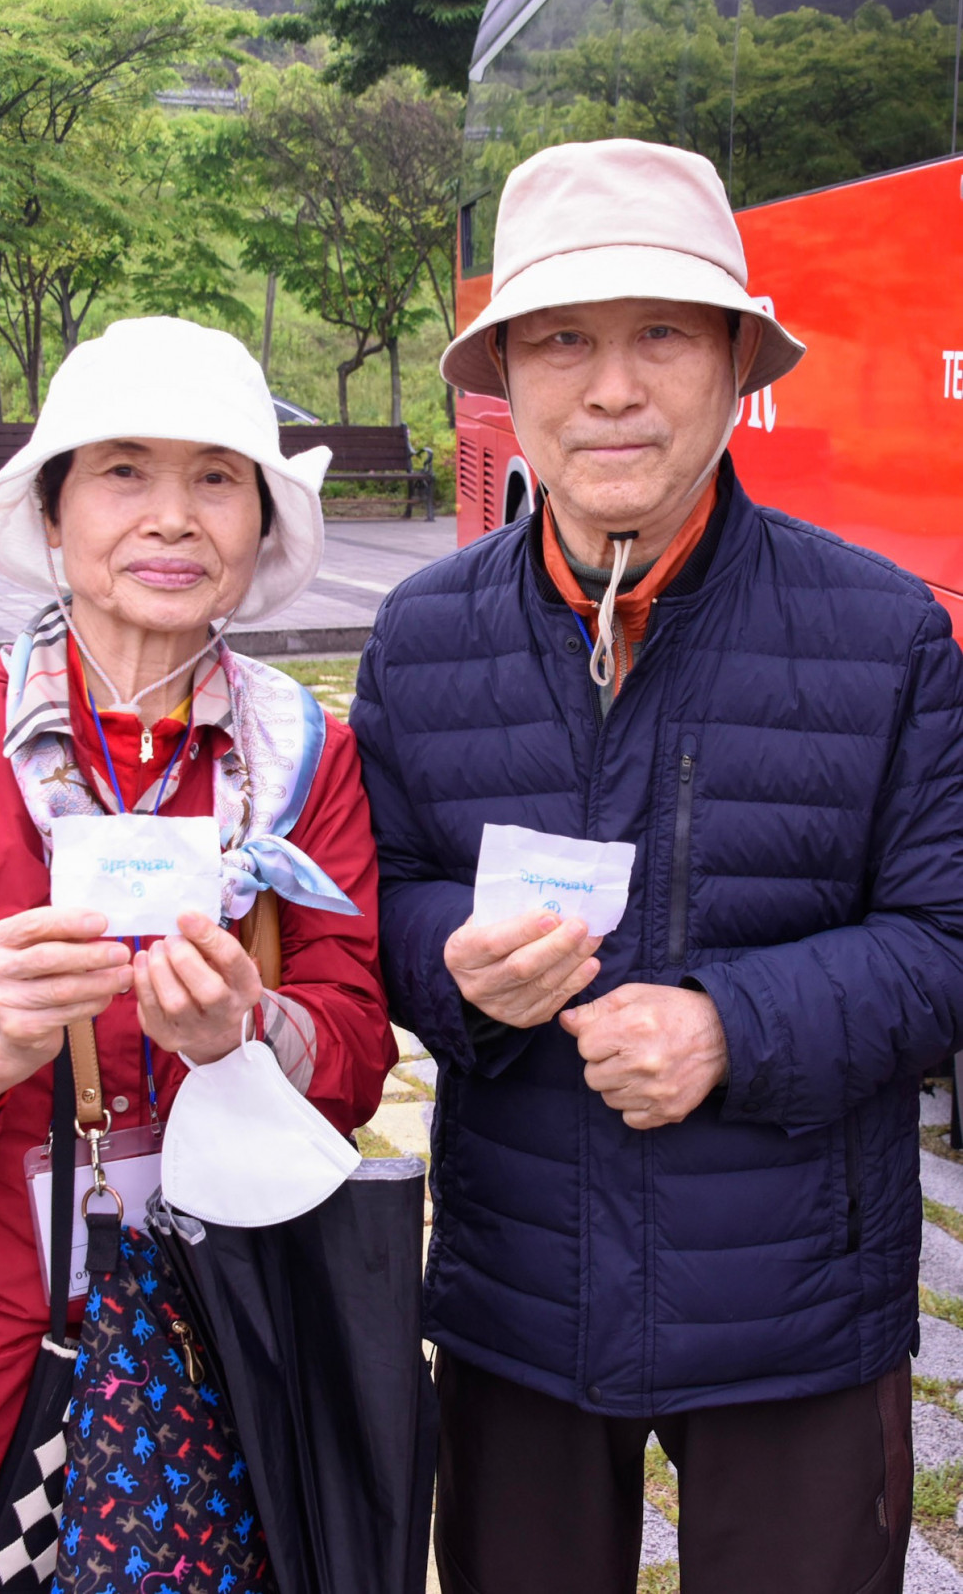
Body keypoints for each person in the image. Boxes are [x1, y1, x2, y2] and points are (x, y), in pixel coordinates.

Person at [351, 139, 963, 1594]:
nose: (611, 388)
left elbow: (943, 938)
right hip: (519, 1286)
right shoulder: (424, 636)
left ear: (735, 362)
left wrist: (731, 1026)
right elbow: (373, 889)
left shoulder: (884, 631)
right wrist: (446, 960)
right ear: (506, 374)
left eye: (662, 336)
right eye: (561, 340)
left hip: (797, 1296)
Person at [0, 315, 395, 1592]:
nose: (171, 517)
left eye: (215, 478)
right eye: (122, 472)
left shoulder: (304, 755)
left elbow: (356, 1046)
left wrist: (245, 1032)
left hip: (224, 1311)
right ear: (52, 515)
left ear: (258, 526)